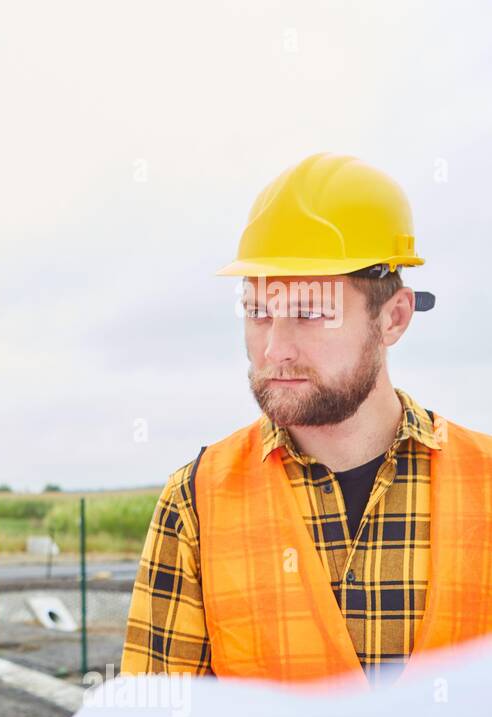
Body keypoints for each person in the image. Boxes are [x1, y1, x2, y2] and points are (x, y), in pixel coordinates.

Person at [122, 153, 492, 688]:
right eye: (258, 312)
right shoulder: (196, 501)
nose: (275, 349)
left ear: (393, 318)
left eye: (311, 312)